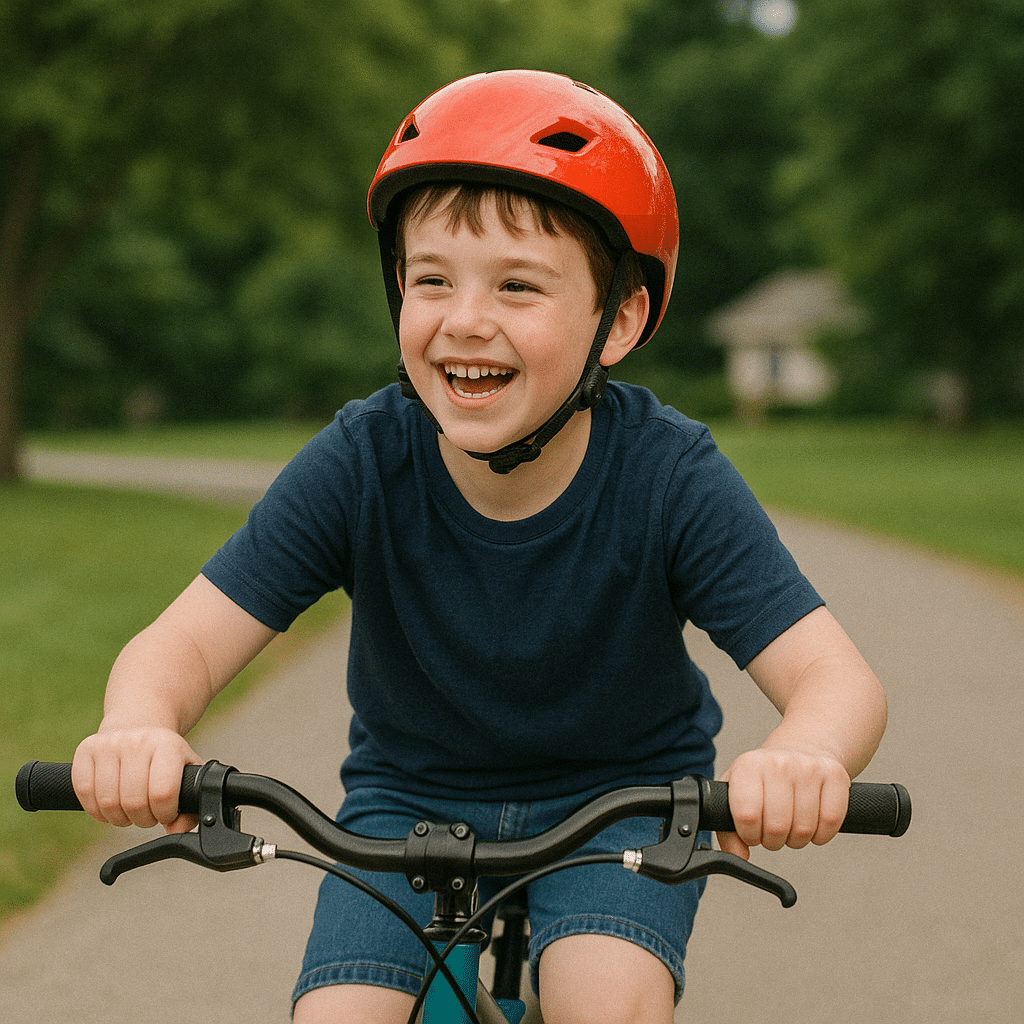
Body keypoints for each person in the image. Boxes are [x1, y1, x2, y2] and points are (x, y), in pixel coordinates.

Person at [72, 70, 888, 1024]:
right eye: (431, 280)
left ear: (616, 320)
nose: (465, 319)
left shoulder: (667, 476)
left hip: (622, 805)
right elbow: (182, 644)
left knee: (605, 1002)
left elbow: (839, 682)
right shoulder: (362, 461)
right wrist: (139, 724)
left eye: (516, 285)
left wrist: (802, 755)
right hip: (406, 805)